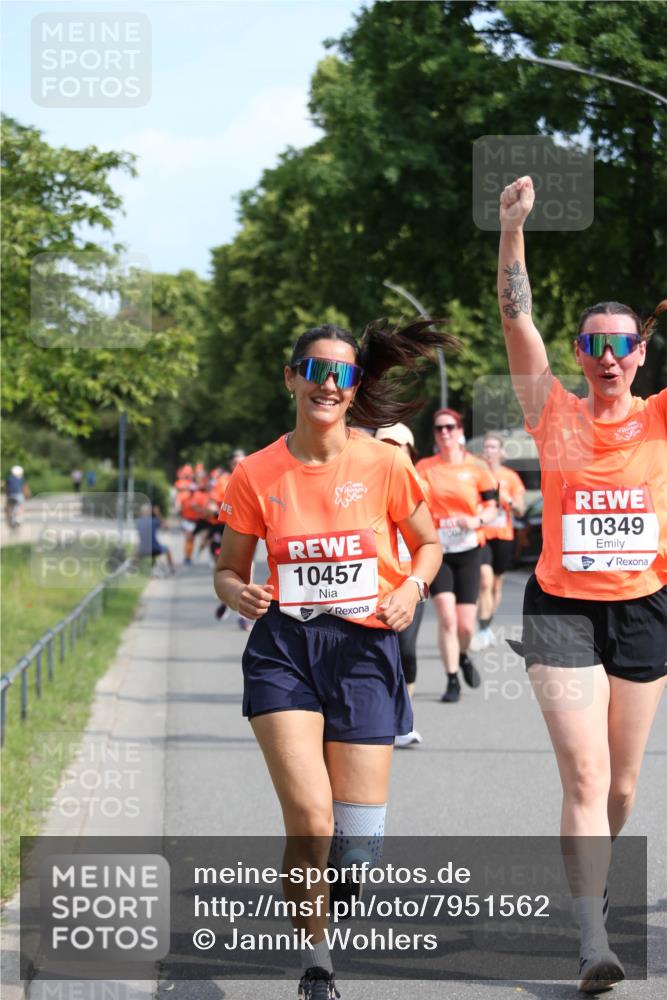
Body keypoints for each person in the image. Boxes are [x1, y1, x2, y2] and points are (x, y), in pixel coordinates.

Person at [214, 319, 455, 1000]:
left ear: (353, 388)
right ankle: (316, 962)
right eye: (314, 369)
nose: (327, 383)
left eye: (342, 374)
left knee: (355, 848)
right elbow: (228, 570)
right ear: (290, 375)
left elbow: (429, 546)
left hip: (365, 649)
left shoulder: (384, 463)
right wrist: (243, 592)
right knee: (310, 821)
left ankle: (327, 891)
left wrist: (411, 585)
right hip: (285, 650)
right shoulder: (256, 472)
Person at [498, 174, 666, 993]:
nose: (606, 358)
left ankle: (591, 885)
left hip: (644, 609)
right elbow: (512, 314)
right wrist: (512, 230)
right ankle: (591, 939)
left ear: (639, 354)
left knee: (624, 783)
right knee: (586, 778)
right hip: (560, 610)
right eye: (592, 345)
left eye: (620, 346)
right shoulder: (550, 411)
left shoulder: (661, 416)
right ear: (578, 354)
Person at [415, 410, 498, 703]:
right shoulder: (425, 468)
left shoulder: (477, 467)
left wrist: (476, 521)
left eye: (450, 427)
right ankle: (451, 679)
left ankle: (463, 655)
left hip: (469, 549)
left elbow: (492, 506)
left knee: (465, 625)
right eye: (439, 429)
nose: (444, 433)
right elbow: (415, 506)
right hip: (439, 553)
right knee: (447, 620)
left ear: (460, 430)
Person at [375, 423, 426, 747]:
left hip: (410, 584)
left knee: (405, 649)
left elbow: (432, 539)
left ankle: (403, 716)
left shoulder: (424, 484)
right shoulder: (364, 484)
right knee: (381, 654)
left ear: (410, 451)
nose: (393, 450)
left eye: (399, 445)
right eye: (386, 444)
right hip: (376, 586)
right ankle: (387, 718)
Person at [471, 432, 526, 650]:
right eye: (487, 447)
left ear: (501, 452)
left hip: (503, 536)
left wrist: (507, 500)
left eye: (494, 447)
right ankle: (482, 629)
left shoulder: (510, 477)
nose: (490, 451)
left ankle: (486, 626)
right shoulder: (476, 475)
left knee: (495, 585)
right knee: (484, 581)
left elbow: (521, 510)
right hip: (482, 535)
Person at [135, 503, 175, 574]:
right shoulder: (153, 521)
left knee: (136, 554)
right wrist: (157, 514)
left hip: (142, 550)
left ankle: (135, 569)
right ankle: (171, 569)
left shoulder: (138, 522)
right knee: (167, 549)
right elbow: (166, 526)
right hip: (154, 549)